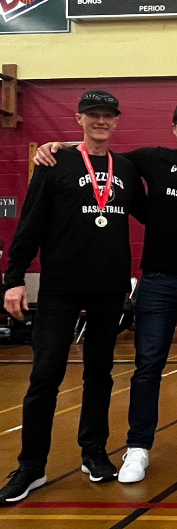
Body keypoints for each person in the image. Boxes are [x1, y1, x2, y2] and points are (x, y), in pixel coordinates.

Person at [31, 101, 177, 483]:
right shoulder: (150, 159)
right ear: (174, 128)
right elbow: (97, 152)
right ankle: (138, 445)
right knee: (149, 364)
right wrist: (57, 145)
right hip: (158, 280)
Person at [1, 90, 145, 503]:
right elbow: (30, 222)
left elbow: (153, 214)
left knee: (100, 373)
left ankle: (93, 451)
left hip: (109, 287)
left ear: (116, 121)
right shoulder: (55, 162)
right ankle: (31, 465)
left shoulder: (126, 168)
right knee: (45, 374)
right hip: (60, 286)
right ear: (80, 118)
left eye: (107, 115)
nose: (101, 121)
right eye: (93, 114)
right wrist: (14, 279)